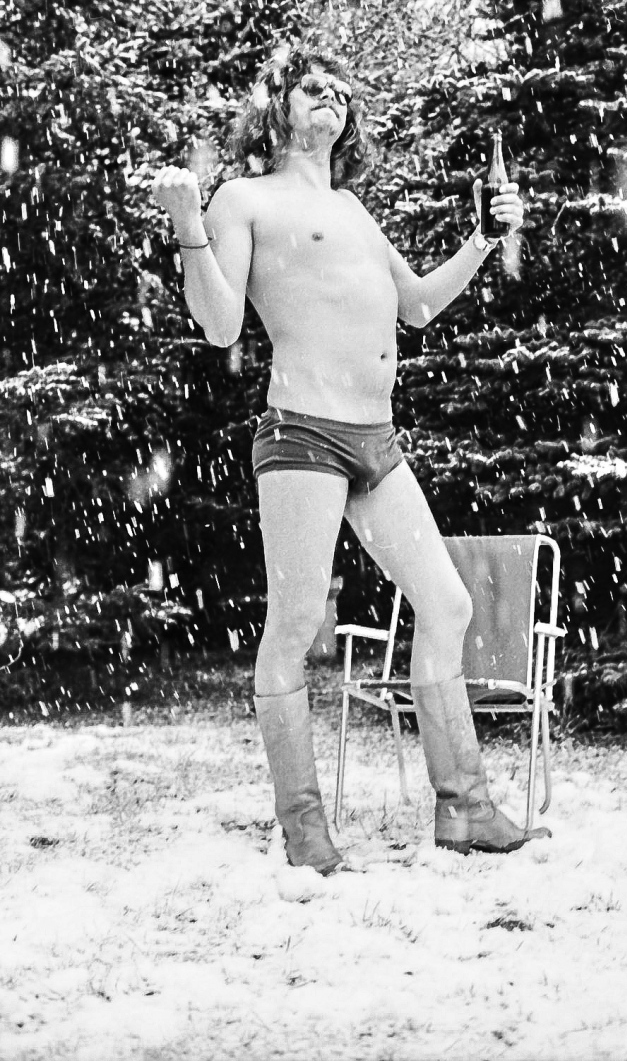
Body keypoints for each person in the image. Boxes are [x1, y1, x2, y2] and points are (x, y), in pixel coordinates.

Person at [153, 44, 526, 875]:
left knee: (448, 605)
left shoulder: (352, 209)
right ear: (278, 107)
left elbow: (416, 305)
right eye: (313, 87)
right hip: (303, 435)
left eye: (342, 91)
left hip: (377, 441)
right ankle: (304, 829)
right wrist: (187, 227)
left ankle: (463, 807)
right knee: (292, 626)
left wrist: (482, 237)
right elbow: (219, 324)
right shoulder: (243, 198)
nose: (333, 97)